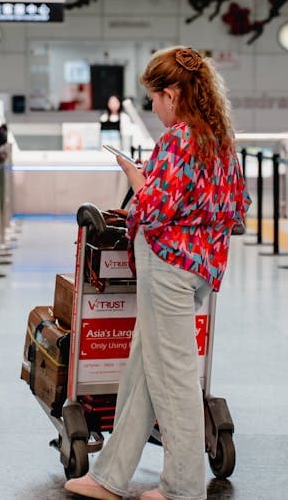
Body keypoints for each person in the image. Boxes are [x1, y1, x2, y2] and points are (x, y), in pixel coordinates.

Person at [65, 47, 249, 500]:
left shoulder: (180, 138)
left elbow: (151, 209)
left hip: (167, 266)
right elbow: (236, 207)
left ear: (172, 93)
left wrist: (136, 178)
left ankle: (183, 487)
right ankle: (108, 477)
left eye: (154, 97)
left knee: (174, 377)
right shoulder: (220, 138)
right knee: (143, 373)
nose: (152, 106)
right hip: (202, 266)